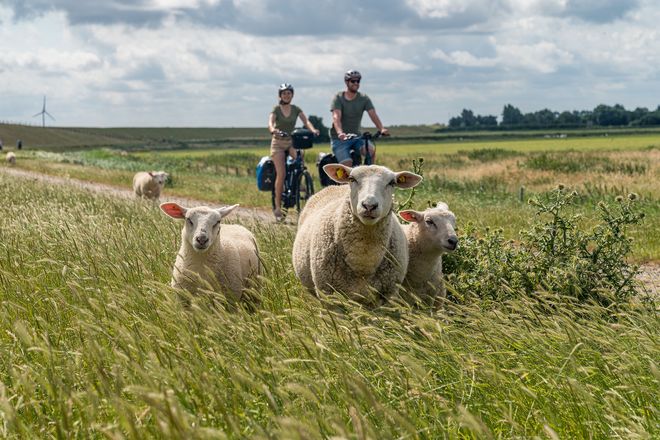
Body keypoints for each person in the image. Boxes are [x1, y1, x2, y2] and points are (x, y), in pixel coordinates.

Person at [268, 83, 320, 221]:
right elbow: (271, 123)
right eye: (284, 93)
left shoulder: (296, 109)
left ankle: (299, 182)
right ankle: (278, 207)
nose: (286, 95)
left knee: (300, 158)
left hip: (291, 141)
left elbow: (306, 121)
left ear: (292, 95)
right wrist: (273, 130)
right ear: (280, 95)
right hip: (278, 143)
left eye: (289, 93)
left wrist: (313, 130)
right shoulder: (276, 109)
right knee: (282, 173)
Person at [330, 70, 389, 166]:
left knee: (371, 151)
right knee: (347, 165)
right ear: (347, 82)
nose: (356, 83)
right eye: (353, 81)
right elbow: (336, 117)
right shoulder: (338, 97)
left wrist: (381, 128)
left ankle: (368, 176)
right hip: (340, 139)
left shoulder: (363, 98)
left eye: (358, 81)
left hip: (357, 137)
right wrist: (340, 133)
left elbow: (373, 114)